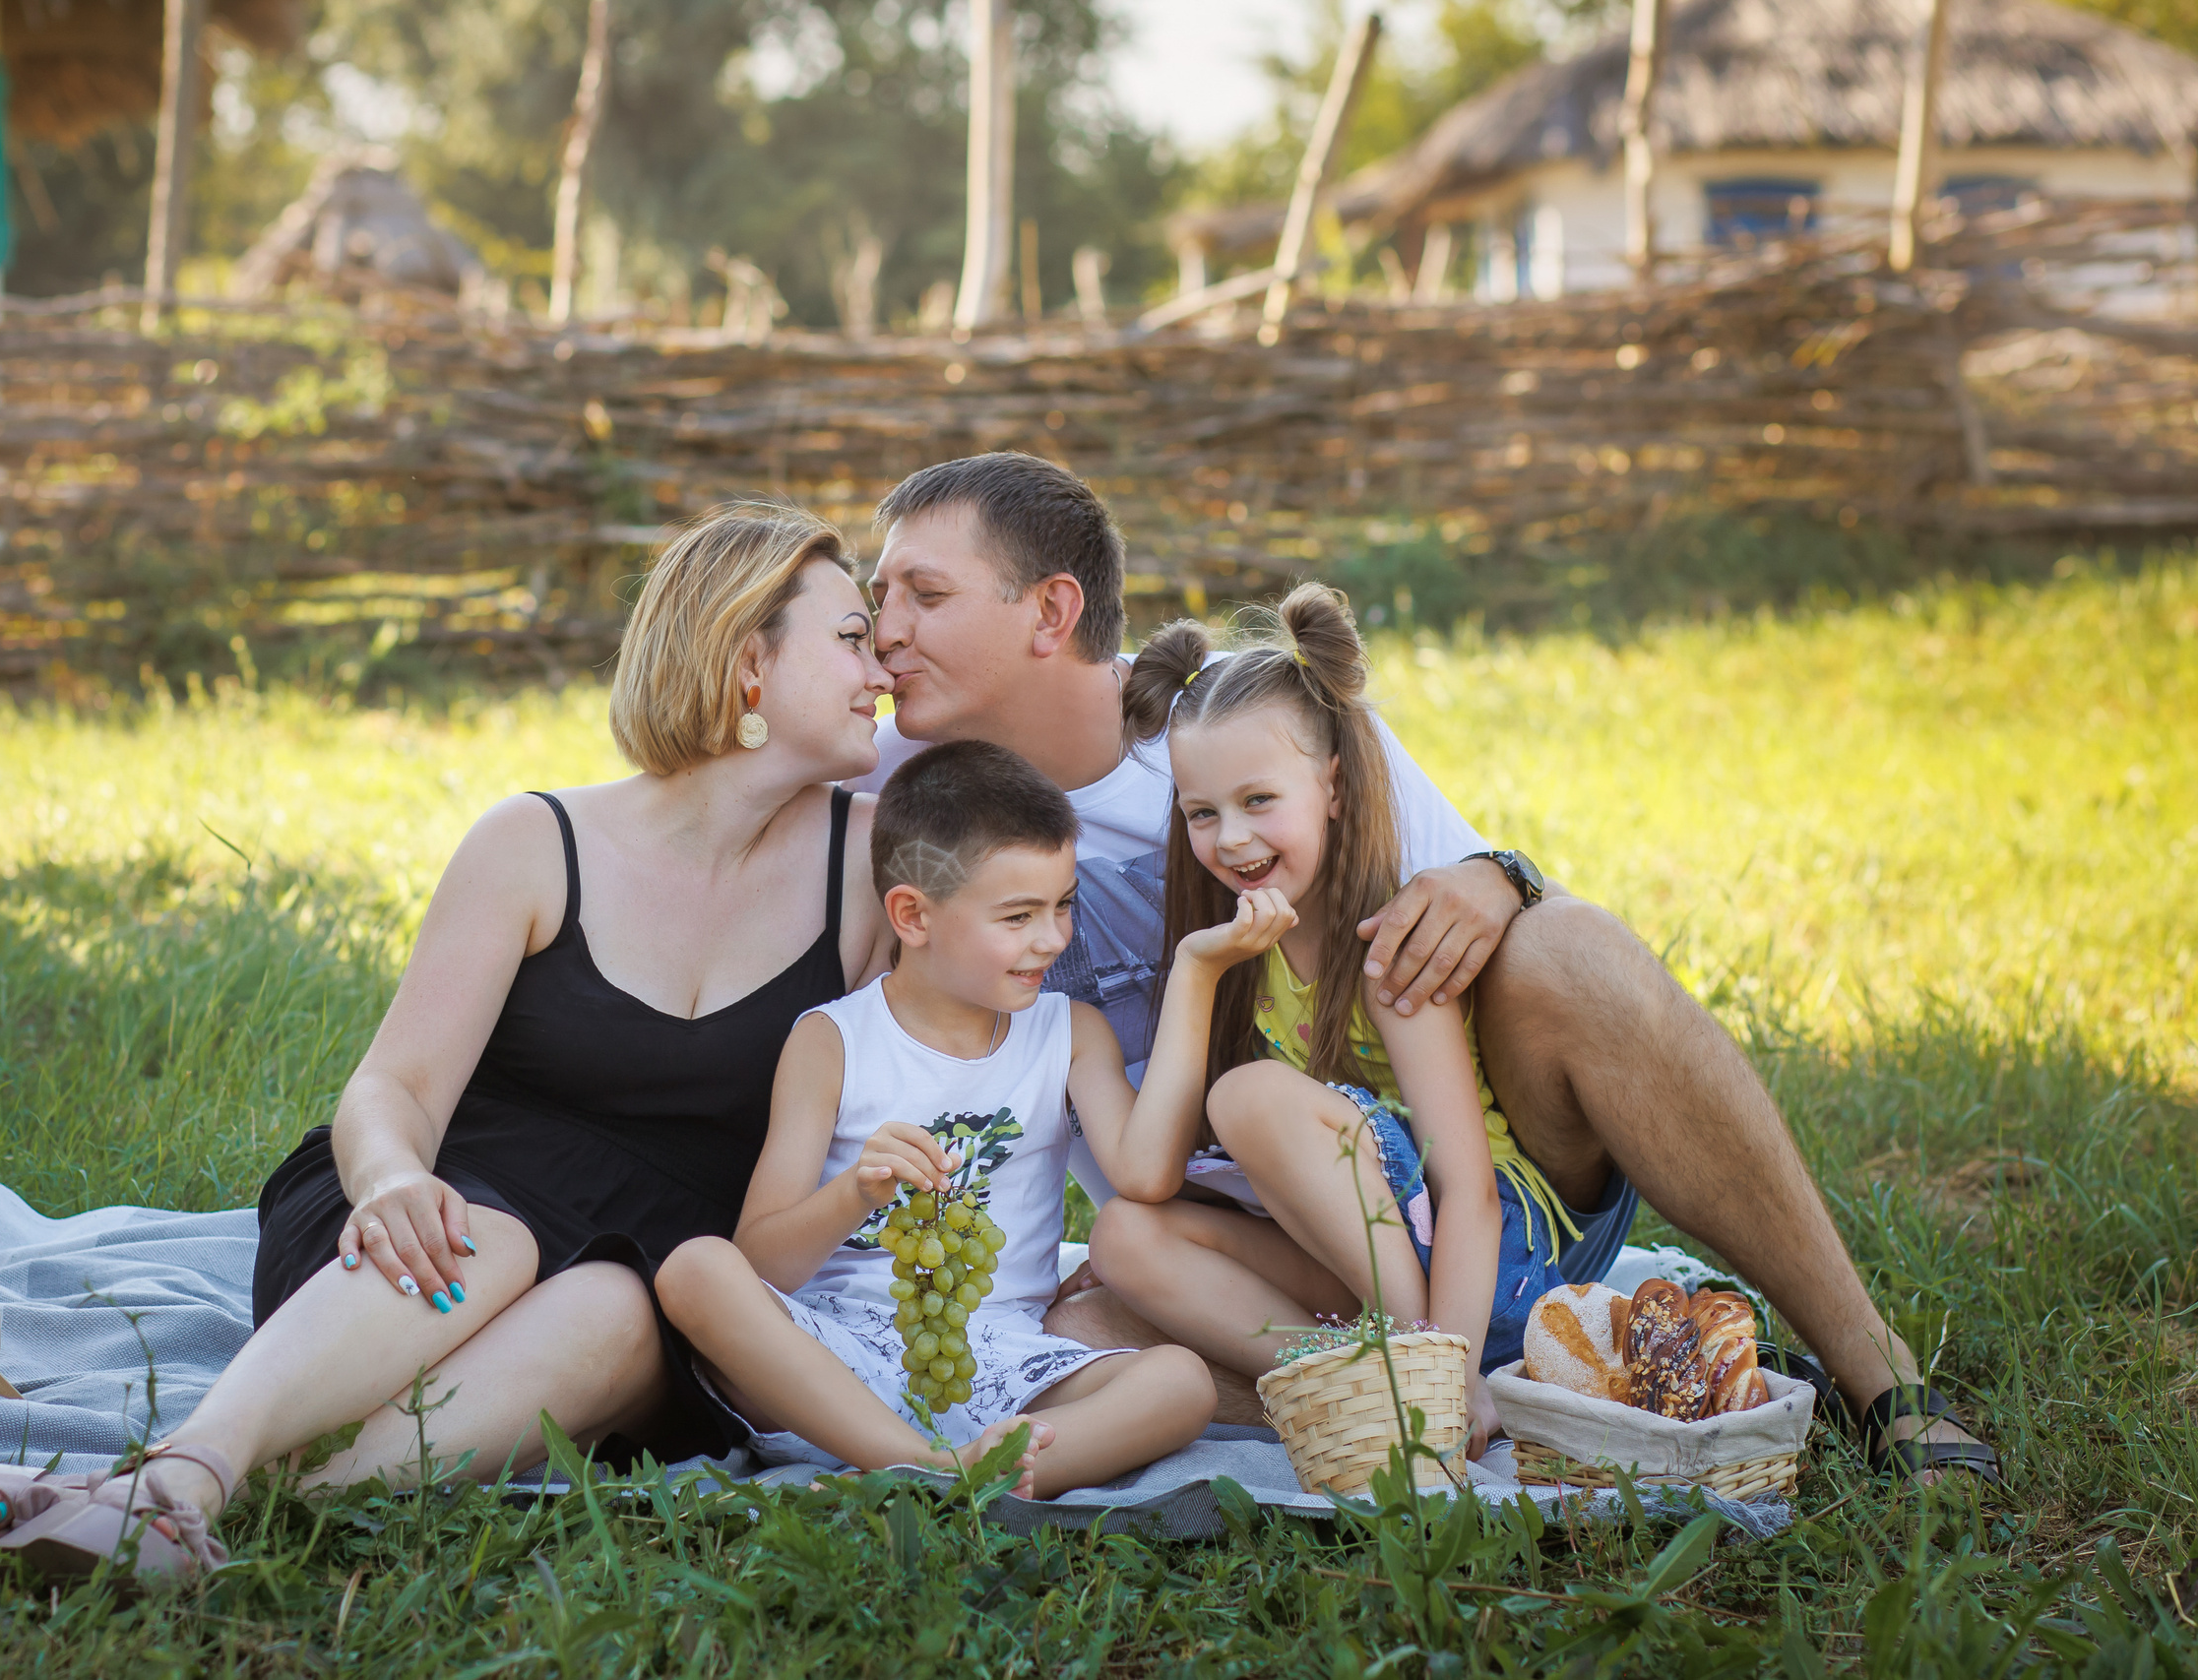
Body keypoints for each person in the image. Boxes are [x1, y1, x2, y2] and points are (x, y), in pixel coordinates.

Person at [855, 451, 1998, 1484]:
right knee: (1086, 1328)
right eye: (874, 597)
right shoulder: (898, 791)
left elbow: (1459, 925)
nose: (883, 629)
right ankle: (1472, 1397)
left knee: (1569, 948)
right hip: (1252, 1262)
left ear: (1052, 611)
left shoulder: (1246, 727)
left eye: (924, 593)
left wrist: (1501, 873)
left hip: (1450, 1199)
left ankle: (1879, 1380)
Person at [0, 503, 900, 1584]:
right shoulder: (536, 843)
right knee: (491, 1238)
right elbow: (395, 1084)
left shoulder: (866, 873)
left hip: (655, 1274)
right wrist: (387, 1181)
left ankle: (135, 1500)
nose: (880, 669)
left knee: (618, 1304)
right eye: (852, 638)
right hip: (433, 1220)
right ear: (745, 660)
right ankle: (180, 1482)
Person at [652, 740, 1224, 1499]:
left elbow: (1144, 1173)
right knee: (696, 1269)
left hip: (1004, 1366)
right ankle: (930, 1470)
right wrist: (855, 1190)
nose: (1052, 938)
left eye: (1062, 905)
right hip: (832, 1363)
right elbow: (760, 1262)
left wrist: (1196, 975)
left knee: (1181, 1381)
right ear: (912, 915)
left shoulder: (1069, 1031)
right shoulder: (834, 1040)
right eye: (1018, 916)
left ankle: (958, 1474)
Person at [1092, 584, 1580, 1457]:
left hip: (1485, 1269)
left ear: (1334, 789)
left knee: (1245, 1098)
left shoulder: (1390, 945)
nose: (1230, 838)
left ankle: (1420, 1372)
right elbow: (1149, 1177)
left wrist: (1458, 1366)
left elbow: (1468, 1190)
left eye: (1257, 801)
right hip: (1368, 1255)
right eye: (1202, 813)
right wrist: (1199, 972)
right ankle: (1355, 1378)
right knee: (1122, 1237)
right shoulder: (1242, 952)